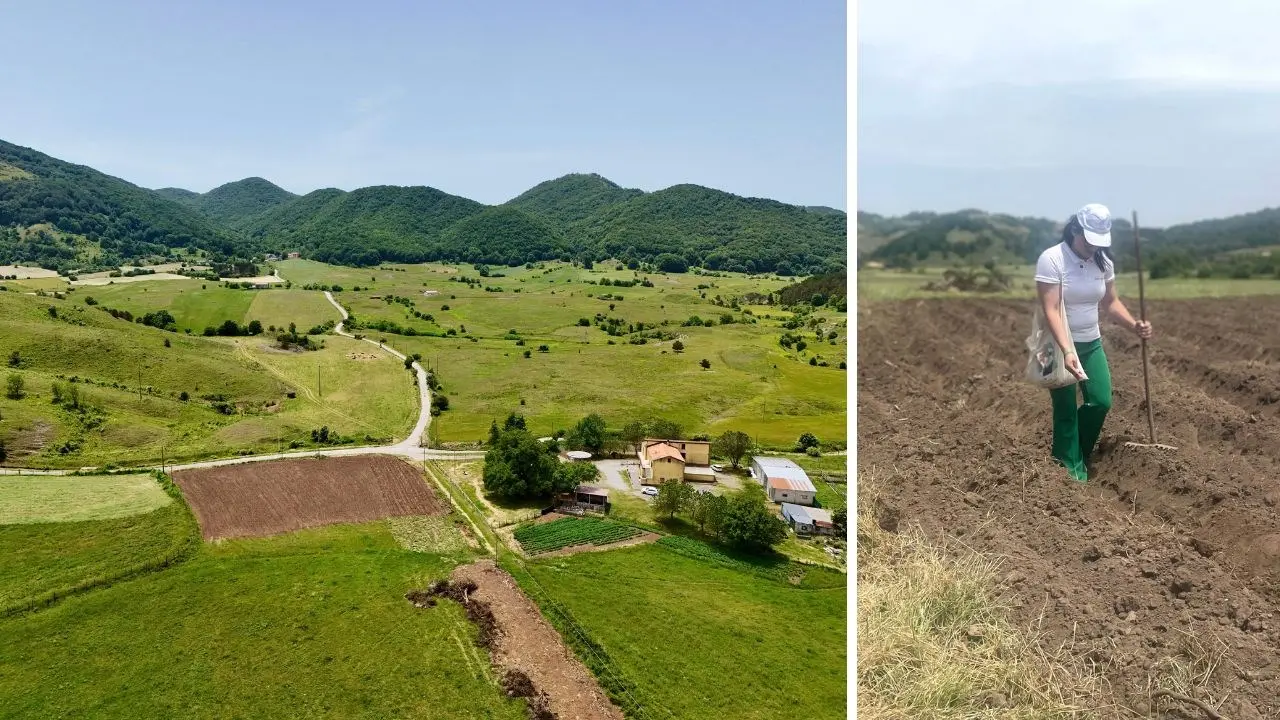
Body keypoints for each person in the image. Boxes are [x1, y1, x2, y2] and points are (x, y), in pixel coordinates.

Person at [1034, 203, 1153, 482]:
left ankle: (1076, 454)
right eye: (1089, 240)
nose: (1093, 247)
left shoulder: (1103, 261)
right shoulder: (1052, 259)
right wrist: (1066, 351)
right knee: (1064, 409)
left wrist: (1134, 325)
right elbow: (1050, 309)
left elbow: (1111, 303)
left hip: (1090, 341)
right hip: (1055, 343)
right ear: (1075, 229)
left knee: (1100, 401)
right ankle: (1071, 474)